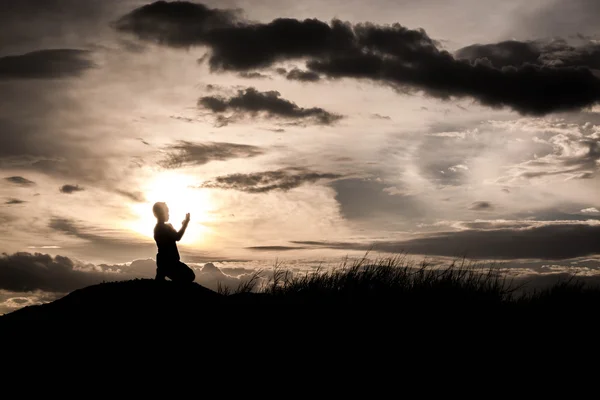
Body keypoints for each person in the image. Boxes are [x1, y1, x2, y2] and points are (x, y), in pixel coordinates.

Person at [152, 202, 196, 283]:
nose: (168, 214)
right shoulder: (165, 227)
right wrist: (185, 223)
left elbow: (176, 236)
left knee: (187, 276)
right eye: (167, 212)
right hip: (171, 263)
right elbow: (178, 237)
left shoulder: (157, 228)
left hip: (163, 262)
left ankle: (161, 273)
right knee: (190, 276)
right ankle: (162, 274)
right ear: (161, 213)